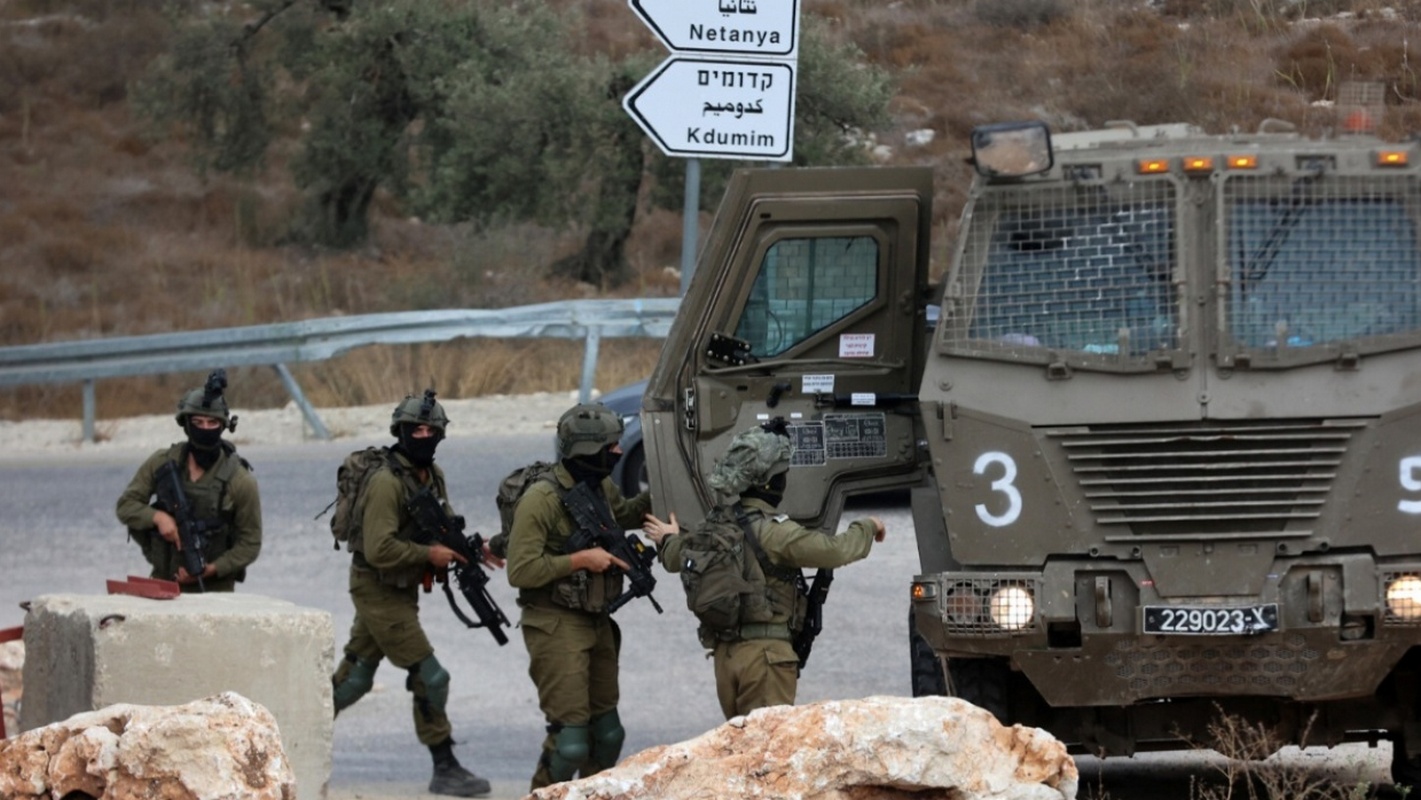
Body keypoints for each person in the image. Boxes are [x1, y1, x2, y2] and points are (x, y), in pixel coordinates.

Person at [643, 422, 885, 720]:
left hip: (726, 659)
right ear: (769, 481)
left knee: (741, 742)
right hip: (766, 662)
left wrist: (668, 538)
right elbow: (836, 551)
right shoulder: (775, 533)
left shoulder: (716, 525)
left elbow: (675, 558)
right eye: (781, 473)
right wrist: (868, 526)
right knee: (769, 748)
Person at [329, 391, 500, 798]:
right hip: (378, 589)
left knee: (355, 680)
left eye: (430, 430)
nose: (423, 436)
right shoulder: (386, 482)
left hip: (401, 590)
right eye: (415, 430)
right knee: (431, 676)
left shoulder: (431, 474)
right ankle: (445, 766)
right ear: (400, 432)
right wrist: (429, 555)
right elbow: (379, 549)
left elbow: (442, 526)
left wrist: (474, 549)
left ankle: (286, 733)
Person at [505, 402, 653, 791]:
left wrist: (662, 491)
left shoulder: (599, 485)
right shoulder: (541, 499)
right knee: (569, 744)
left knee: (608, 735)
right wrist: (581, 560)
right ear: (588, 450)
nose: (619, 452)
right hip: (555, 623)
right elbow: (520, 570)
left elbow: (623, 515)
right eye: (611, 446)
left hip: (597, 618)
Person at [116, 369, 261, 592]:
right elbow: (126, 506)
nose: (205, 429)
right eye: (198, 422)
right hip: (164, 585)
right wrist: (159, 518)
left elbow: (250, 543)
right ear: (186, 424)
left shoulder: (240, 480)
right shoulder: (162, 462)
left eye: (212, 423)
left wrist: (211, 569)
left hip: (214, 592)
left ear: (223, 426)